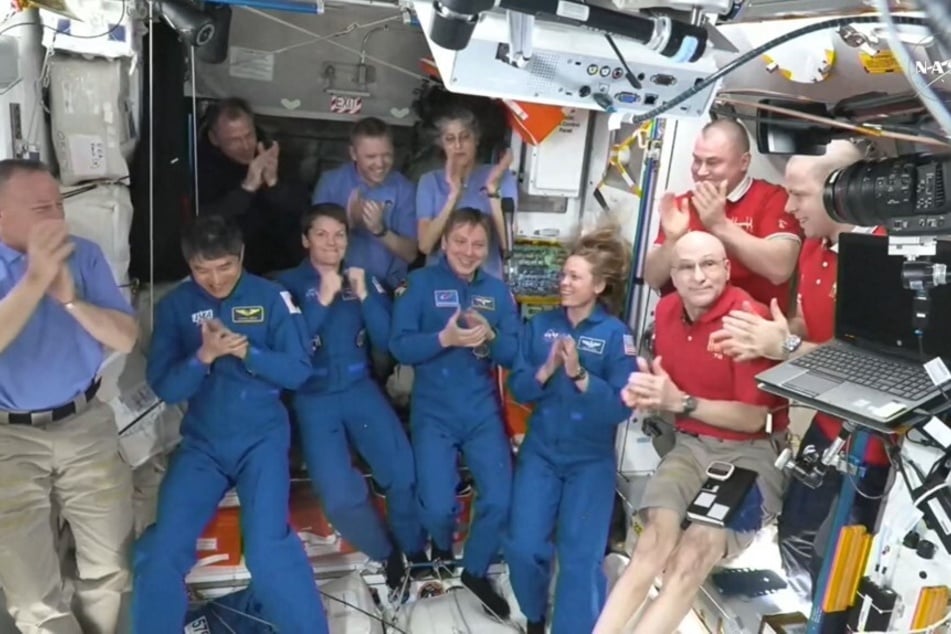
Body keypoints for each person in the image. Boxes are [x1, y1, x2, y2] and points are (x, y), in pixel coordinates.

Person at [708, 140, 891, 603]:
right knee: (794, 533)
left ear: (841, 191)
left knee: (834, 554)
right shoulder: (814, 248)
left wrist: (785, 345)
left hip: (868, 443)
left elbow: (866, 363)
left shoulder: (884, 256)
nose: (789, 207)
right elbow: (814, 325)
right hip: (826, 427)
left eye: (799, 195)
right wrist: (769, 332)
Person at [133, 215, 327, 633]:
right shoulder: (176, 306)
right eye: (203, 270)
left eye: (225, 267)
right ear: (189, 266)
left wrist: (248, 354)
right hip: (203, 444)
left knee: (268, 548)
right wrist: (202, 356)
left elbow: (297, 371)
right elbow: (165, 387)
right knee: (160, 547)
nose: (215, 279)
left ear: (240, 257)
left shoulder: (273, 297)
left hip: (262, 440)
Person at [594, 231, 788, 634]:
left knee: (693, 555)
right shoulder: (665, 312)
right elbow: (668, 387)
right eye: (686, 267)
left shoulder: (746, 320)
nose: (699, 276)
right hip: (691, 446)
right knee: (652, 545)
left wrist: (681, 402)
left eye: (709, 264)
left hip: (751, 453)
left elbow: (753, 418)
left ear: (727, 269)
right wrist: (650, 394)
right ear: (674, 275)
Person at [0, 159, 138, 634]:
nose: (58, 217)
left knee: (110, 566)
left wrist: (71, 300)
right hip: (8, 439)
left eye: (60, 204)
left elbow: (124, 337)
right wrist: (35, 279)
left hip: (85, 424)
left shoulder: (85, 254)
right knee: (31, 592)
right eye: (42, 207)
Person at [277, 203, 428, 591]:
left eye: (339, 234)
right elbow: (291, 352)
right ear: (304, 240)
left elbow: (385, 342)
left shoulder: (363, 279)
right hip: (315, 396)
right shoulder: (286, 286)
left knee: (403, 470)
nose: (332, 242)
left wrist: (365, 296)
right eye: (322, 234)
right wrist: (320, 301)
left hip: (361, 388)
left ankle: (415, 552)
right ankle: (387, 555)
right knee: (340, 497)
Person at [505, 226, 637, 634]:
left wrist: (579, 375)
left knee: (580, 559)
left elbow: (620, 407)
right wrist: (546, 370)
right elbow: (519, 388)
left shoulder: (617, 336)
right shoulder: (541, 325)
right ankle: (534, 614)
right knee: (524, 547)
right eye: (563, 275)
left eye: (574, 277)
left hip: (589, 463)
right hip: (541, 454)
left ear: (598, 285)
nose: (563, 282)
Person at [390, 207, 521, 616]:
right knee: (436, 505)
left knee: (501, 499)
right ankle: (443, 549)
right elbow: (399, 346)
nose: (468, 251)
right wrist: (444, 338)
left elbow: (514, 354)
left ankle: (476, 569)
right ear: (444, 242)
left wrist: (493, 335)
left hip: (481, 410)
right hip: (434, 410)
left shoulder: (498, 293)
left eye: (478, 244)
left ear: (488, 250)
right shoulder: (419, 284)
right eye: (460, 241)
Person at [642, 118, 801, 313]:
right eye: (696, 160)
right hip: (686, 326)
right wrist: (672, 241)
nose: (701, 171)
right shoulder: (682, 205)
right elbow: (652, 278)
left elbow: (780, 269)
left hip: (749, 327)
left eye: (712, 162)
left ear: (744, 162)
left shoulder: (772, 198)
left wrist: (720, 225)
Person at [197, 97, 306, 275]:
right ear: (214, 139)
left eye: (249, 135)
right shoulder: (201, 166)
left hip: (283, 264)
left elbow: (301, 209)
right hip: (231, 267)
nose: (246, 146)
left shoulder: (273, 154)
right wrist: (247, 188)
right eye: (234, 140)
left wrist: (274, 184)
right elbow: (206, 223)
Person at [311, 117, 419, 291]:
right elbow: (315, 248)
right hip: (338, 286)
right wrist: (349, 222)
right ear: (353, 153)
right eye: (371, 156)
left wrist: (380, 230)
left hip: (388, 288)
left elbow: (410, 254)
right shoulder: (330, 182)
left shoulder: (404, 189)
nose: (380, 164)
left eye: (387, 155)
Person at [415, 106, 517, 280]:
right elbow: (425, 245)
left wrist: (492, 190)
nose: (458, 146)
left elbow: (508, 244)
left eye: (465, 137)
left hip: (486, 283)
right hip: (439, 283)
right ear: (441, 143)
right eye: (450, 139)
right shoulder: (429, 181)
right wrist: (453, 196)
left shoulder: (502, 177)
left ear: (476, 139)